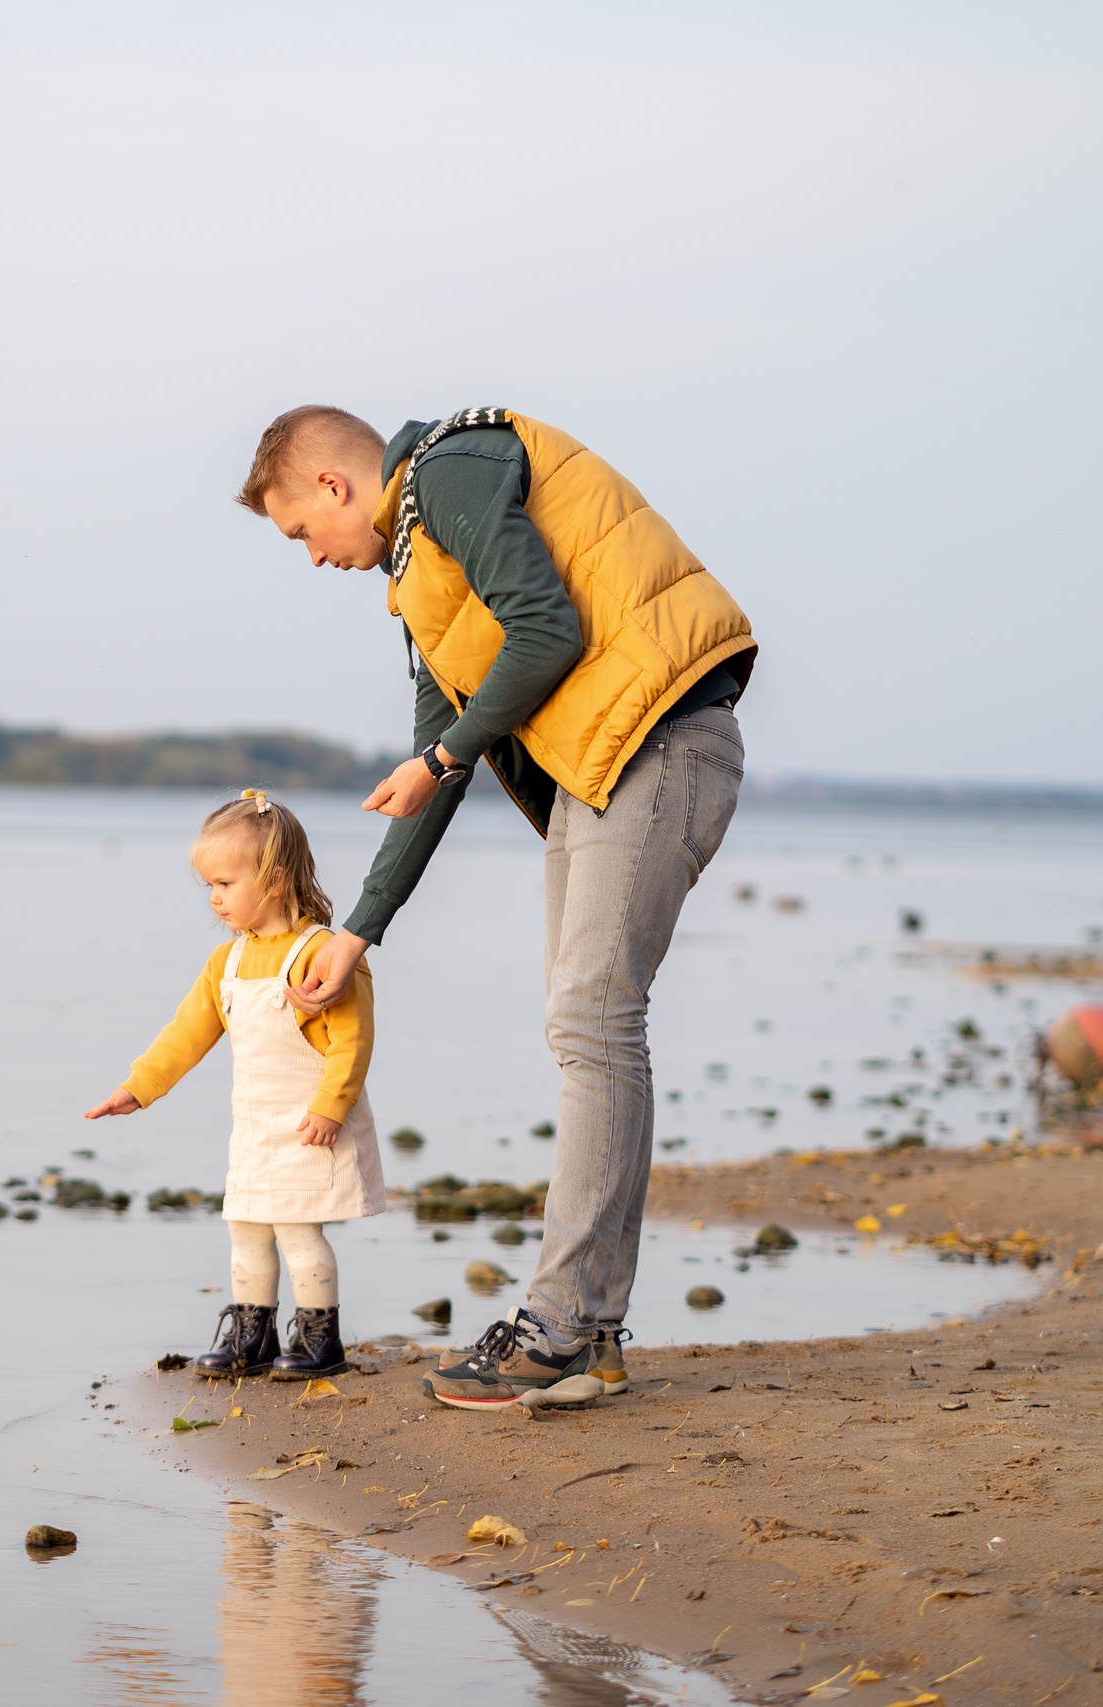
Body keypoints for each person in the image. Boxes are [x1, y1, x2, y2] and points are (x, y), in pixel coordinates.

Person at [235, 405, 756, 1411]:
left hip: (660, 737)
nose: (312, 557)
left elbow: (547, 631)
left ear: (333, 486)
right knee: (588, 1030)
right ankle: (589, 1333)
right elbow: (437, 767)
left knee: (592, 1022)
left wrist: (440, 756)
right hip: (603, 762)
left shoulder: (451, 473)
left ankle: (558, 1327)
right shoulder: (419, 572)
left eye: (300, 531)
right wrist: (355, 932)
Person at [84, 790, 386, 1379]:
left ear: (274, 880)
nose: (215, 898)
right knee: (245, 1227)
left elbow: (352, 1040)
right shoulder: (226, 961)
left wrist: (331, 1107)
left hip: (309, 1123)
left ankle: (320, 1340)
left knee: (298, 1230)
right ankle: (253, 1336)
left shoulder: (322, 952)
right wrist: (139, 1087)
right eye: (210, 887)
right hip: (253, 1126)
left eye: (225, 883)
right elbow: (187, 1032)